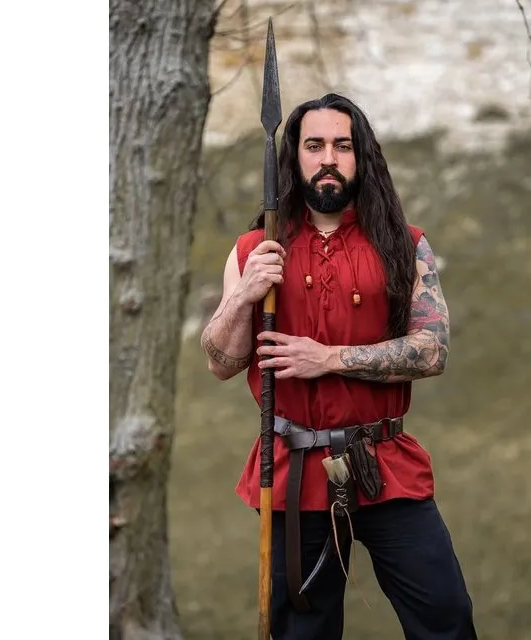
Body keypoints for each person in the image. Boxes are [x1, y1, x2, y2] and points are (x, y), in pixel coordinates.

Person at [201, 93, 478, 640]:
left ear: (360, 155)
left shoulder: (404, 245)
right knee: (304, 631)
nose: (328, 157)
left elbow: (432, 350)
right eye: (314, 145)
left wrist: (328, 358)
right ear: (294, 157)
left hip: (383, 463)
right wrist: (244, 294)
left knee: (445, 618)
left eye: (342, 145)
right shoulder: (255, 249)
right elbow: (221, 362)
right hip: (293, 470)